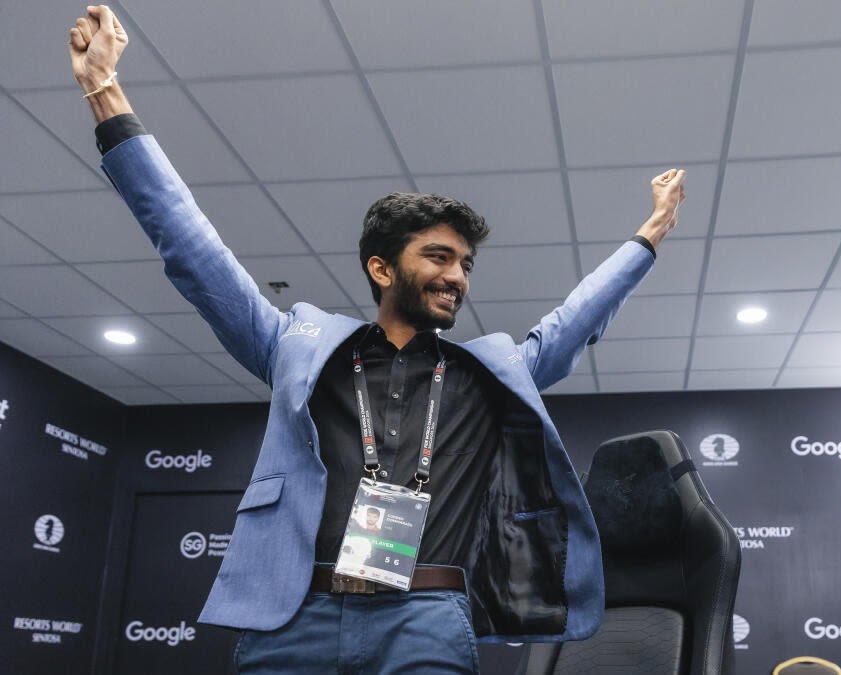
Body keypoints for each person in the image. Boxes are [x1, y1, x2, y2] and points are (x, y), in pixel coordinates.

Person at [68, 5, 685, 674]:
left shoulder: (487, 372)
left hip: (425, 621)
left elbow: (576, 316)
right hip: (293, 621)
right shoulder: (299, 347)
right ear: (382, 268)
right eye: (440, 257)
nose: (458, 277)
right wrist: (106, 91)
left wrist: (649, 234)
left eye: (466, 265)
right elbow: (192, 249)